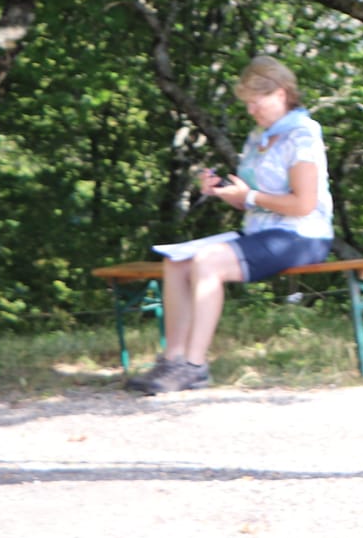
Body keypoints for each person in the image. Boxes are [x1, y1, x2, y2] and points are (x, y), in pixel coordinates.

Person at [126, 55, 335, 395]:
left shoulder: (303, 134)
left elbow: (303, 204)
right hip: (261, 231)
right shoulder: (258, 136)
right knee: (175, 261)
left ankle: (194, 367)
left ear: (281, 94)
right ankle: (172, 360)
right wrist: (224, 192)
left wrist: (249, 196)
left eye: (257, 102)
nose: (252, 110)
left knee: (207, 262)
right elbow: (249, 197)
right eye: (248, 104)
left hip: (302, 234)